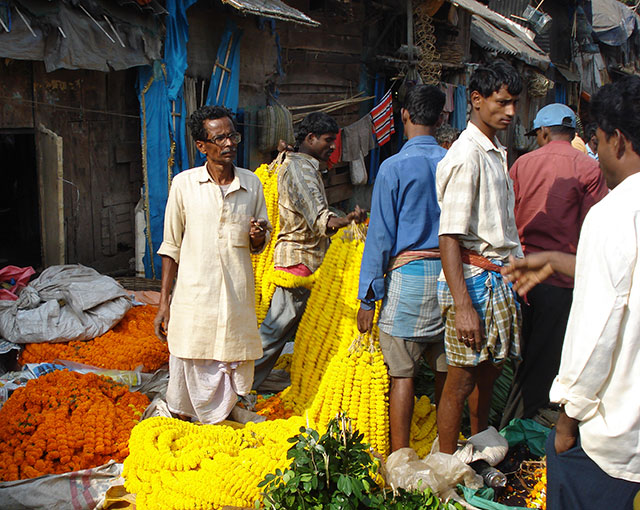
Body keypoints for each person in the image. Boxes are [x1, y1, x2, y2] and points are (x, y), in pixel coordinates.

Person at [502, 76, 640, 509]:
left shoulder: (613, 212)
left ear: (617, 140)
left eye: (597, 143)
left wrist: (566, 422)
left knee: (532, 362)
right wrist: (564, 262)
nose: (596, 156)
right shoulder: (591, 179)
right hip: (561, 277)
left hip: (613, 440)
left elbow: (596, 333)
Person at [153, 105, 270, 424]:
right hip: (194, 298)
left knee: (230, 356)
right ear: (202, 146)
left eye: (233, 135)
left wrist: (257, 236)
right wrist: (164, 303)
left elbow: (258, 244)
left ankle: (225, 414)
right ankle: (187, 418)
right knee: (191, 353)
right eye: (220, 138)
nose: (230, 143)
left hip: (236, 299)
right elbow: (170, 246)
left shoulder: (251, 184)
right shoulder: (184, 185)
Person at [435, 60, 523, 455]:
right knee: (461, 380)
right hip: (471, 282)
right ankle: (449, 466)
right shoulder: (466, 155)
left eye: (514, 103)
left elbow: (504, 227)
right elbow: (449, 237)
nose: (510, 112)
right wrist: (463, 305)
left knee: (489, 372)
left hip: (495, 279)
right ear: (475, 99)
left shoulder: (495, 152)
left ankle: (478, 446)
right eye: (502, 102)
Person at [500, 104, 608, 427]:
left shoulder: (521, 164)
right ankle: (519, 425)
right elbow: (595, 225)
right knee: (546, 359)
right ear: (573, 133)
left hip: (518, 274)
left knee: (516, 358)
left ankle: (508, 423)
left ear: (544, 133)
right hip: (563, 280)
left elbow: (507, 216)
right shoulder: (589, 169)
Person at [356, 84, 448, 452]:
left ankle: (399, 457)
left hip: (408, 279)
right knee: (446, 371)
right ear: (441, 119)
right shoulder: (454, 162)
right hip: (451, 278)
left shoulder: (393, 168)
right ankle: (447, 451)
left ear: (404, 116)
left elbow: (379, 237)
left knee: (402, 374)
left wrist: (368, 297)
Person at [252, 112, 367, 390]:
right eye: (328, 141)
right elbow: (320, 219)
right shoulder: (302, 171)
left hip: (307, 264)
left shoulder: (296, 162)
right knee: (274, 331)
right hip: (298, 265)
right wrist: (347, 220)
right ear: (310, 138)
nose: (332, 147)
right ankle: (238, 386)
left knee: (300, 330)